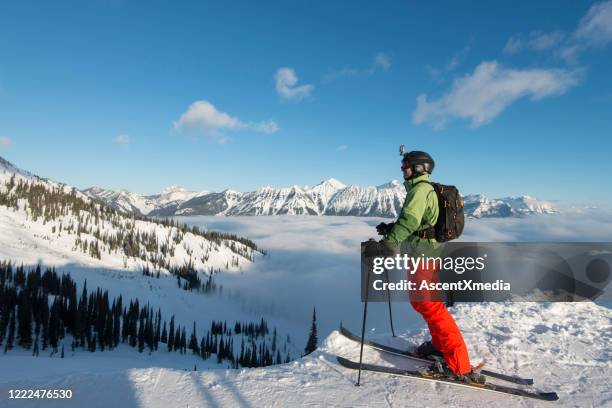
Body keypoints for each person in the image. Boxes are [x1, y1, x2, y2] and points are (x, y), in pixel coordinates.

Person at [377, 150, 484, 383]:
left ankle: (459, 364)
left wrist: (389, 242)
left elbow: (410, 220)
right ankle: (439, 346)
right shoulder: (421, 189)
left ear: (419, 168)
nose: (402, 169)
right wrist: (390, 230)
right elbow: (419, 222)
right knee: (421, 302)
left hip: (423, 255)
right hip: (421, 252)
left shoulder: (420, 190)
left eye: (406, 165)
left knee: (430, 306)